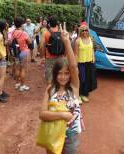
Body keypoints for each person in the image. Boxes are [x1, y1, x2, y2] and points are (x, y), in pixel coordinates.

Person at [39, 22, 82, 154]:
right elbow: (42, 114)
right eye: (59, 73)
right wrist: (63, 115)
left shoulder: (74, 88)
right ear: (55, 74)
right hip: (52, 132)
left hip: (70, 135)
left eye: (66, 73)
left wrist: (67, 42)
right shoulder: (50, 89)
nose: (63, 77)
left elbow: (74, 66)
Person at [74, 24, 97, 103]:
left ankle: (84, 94)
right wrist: (75, 65)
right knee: (82, 79)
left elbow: (92, 49)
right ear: (80, 31)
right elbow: (76, 54)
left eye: (86, 30)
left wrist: (93, 57)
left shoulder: (91, 39)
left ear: (88, 31)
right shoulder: (78, 41)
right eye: (83, 30)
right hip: (81, 63)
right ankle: (78, 95)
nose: (84, 32)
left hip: (89, 62)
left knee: (88, 79)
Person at [41, 16, 64, 84]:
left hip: (49, 57)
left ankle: (51, 92)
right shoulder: (61, 33)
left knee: (50, 77)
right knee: (59, 76)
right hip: (60, 57)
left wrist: (42, 57)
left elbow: (42, 45)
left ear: (48, 24)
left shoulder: (46, 33)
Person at [12, 17, 31, 92]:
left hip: (16, 52)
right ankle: (22, 85)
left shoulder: (13, 32)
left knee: (17, 68)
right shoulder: (24, 33)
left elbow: (11, 41)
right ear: (21, 24)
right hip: (23, 51)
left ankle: (17, 84)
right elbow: (29, 42)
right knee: (23, 69)